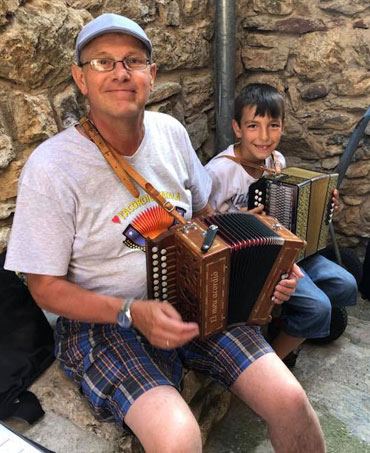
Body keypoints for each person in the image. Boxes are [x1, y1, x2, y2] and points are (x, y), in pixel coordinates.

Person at [5, 15, 326, 453]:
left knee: (290, 400)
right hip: (102, 323)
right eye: (102, 62)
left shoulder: (171, 133)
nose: (120, 72)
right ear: (80, 78)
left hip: (195, 291)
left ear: (151, 76)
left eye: (133, 60)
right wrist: (131, 312)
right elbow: (43, 288)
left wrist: (267, 273)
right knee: (178, 437)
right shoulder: (51, 167)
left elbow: (204, 214)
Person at [206, 83, 358, 363]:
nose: (264, 136)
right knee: (319, 307)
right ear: (237, 129)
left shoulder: (277, 160)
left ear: (283, 127)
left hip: (284, 250)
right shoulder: (219, 172)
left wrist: (323, 205)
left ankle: (284, 323)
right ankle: (275, 359)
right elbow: (202, 227)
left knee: (346, 284)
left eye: (272, 125)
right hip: (251, 263)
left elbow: (289, 208)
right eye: (253, 126)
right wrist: (237, 223)